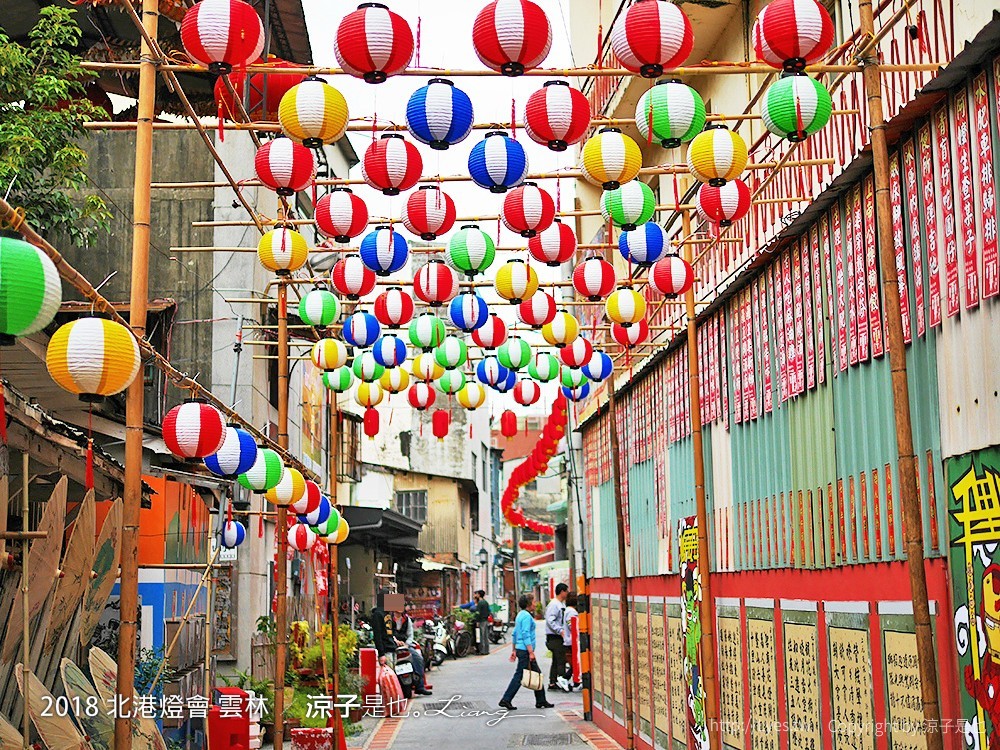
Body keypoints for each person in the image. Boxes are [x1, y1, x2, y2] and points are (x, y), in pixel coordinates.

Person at [499, 594, 554, 711]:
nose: (535, 604)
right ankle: (506, 699)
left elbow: (514, 634)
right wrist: (531, 652)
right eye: (533, 601)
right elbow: (525, 634)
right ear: (529, 604)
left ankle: (541, 700)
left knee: (536, 673)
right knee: (519, 675)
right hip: (525, 650)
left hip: (520, 649)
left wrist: (513, 650)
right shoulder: (527, 617)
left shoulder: (520, 615)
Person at [391, 609, 433, 695]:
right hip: (391, 646)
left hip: (405, 646)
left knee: (418, 659)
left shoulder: (407, 620)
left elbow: (410, 635)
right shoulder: (388, 618)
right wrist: (395, 641)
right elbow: (387, 633)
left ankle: (420, 686)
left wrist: (406, 644)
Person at [544, 583, 569, 691]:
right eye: (566, 591)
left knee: (556, 660)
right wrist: (560, 630)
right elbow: (550, 620)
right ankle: (562, 681)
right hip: (554, 636)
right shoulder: (555, 604)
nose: (567, 593)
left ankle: (552, 682)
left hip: (557, 636)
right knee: (560, 660)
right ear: (562, 591)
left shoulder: (561, 604)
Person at [558, 593, 581, 692]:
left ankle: (574, 682)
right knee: (575, 663)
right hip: (572, 642)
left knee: (574, 664)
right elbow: (573, 627)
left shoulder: (568, 610)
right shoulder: (572, 613)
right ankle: (565, 678)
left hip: (568, 641)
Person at [472, 589, 491, 655]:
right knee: (485, 636)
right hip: (485, 620)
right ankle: (486, 650)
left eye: (477, 594)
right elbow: (489, 611)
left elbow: (478, 613)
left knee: (481, 636)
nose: (476, 595)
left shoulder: (480, 603)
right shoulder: (486, 602)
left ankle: (482, 650)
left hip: (481, 621)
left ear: (479, 595)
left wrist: (477, 621)